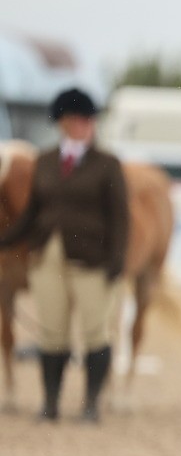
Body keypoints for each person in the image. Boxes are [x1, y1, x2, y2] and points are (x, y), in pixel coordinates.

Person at [0, 87, 128, 422]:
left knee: (94, 331)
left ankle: (90, 403)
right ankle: (51, 403)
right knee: (52, 331)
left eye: (88, 120)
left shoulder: (107, 165)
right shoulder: (44, 162)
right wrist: (5, 240)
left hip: (91, 260)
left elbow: (119, 216)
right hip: (47, 258)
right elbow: (31, 213)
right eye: (78, 120)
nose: (85, 126)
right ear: (64, 123)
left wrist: (117, 261)